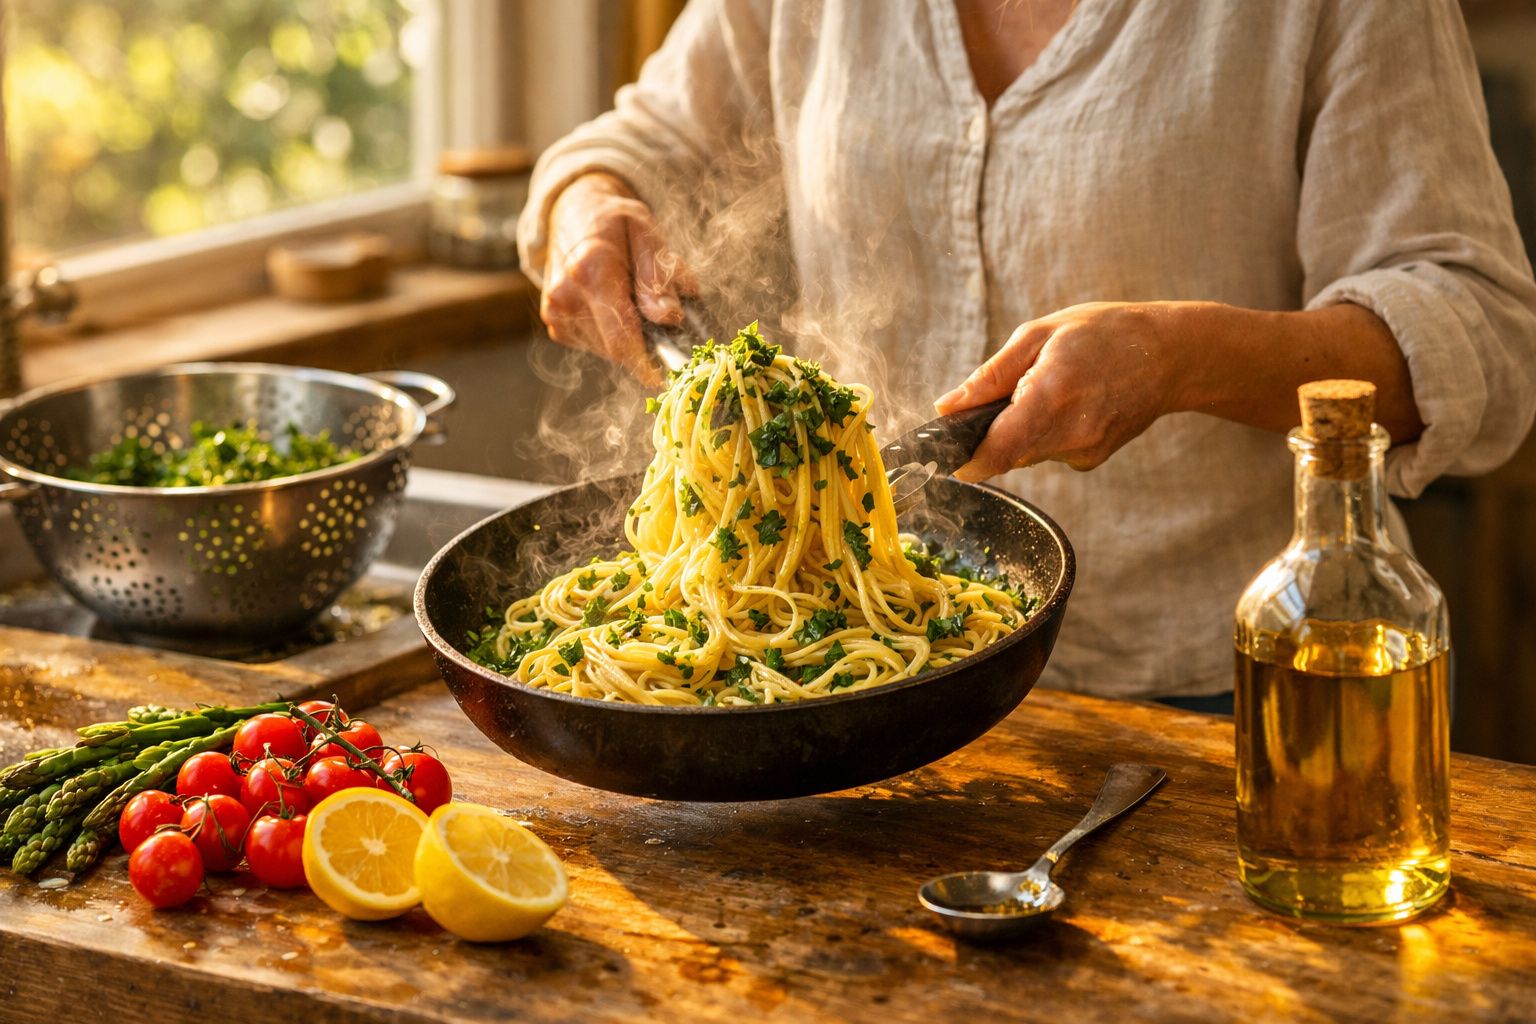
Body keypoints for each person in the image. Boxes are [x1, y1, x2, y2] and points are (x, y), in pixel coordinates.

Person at [516, 0, 1536, 704]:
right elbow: (632, 144)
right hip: (874, 696)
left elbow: (1476, 332)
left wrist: (1181, 358)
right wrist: (588, 212)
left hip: (1234, 684)